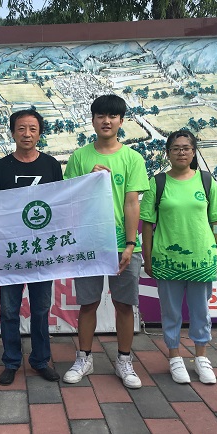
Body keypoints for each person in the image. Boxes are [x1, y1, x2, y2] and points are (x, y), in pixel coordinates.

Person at [62, 94, 149, 388]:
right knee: (88, 304)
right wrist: (88, 179)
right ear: (93, 120)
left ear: (121, 121)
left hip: (121, 244)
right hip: (88, 242)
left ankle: (124, 360)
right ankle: (84, 357)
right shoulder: (80, 157)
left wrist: (130, 244)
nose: (106, 121)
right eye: (101, 115)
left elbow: (132, 203)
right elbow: (70, 200)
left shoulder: (132, 158)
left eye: (112, 116)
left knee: (124, 305)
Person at [140, 129, 217, 385]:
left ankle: (201, 358)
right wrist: (147, 257)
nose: (181, 152)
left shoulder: (206, 181)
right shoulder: (158, 183)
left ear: (193, 152)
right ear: (167, 153)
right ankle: (174, 356)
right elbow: (147, 225)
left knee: (201, 311)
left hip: (201, 258)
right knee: (171, 312)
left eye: (186, 148)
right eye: (175, 148)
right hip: (167, 259)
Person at [0, 109, 63, 386]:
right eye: (21, 129)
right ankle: (11, 361)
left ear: (40, 133)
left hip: (42, 252)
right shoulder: (1, 167)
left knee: (41, 309)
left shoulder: (51, 165)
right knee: (9, 310)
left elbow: (61, 203)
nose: (27, 134)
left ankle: (41, 360)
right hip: (11, 252)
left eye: (32, 129)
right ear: (12, 132)